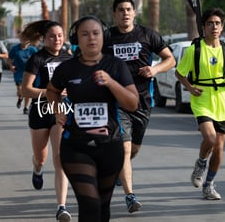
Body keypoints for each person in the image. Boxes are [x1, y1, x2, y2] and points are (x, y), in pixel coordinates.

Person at [47, 15, 139, 222]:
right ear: (76, 39)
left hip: (110, 144)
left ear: (103, 37)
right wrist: (57, 110)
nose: (91, 39)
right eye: (85, 34)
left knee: (103, 206)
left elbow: (132, 103)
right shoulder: (67, 68)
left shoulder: (115, 66)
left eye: (96, 33)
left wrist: (111, 83)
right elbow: (52, 90)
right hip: (76, 146)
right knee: (89, 204)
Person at [102, 0, 176, 213]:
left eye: (128, 9)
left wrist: (154, 69)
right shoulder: (107, 38)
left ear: (134, 12)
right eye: (120, 10)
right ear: (114, 14)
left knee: (133, 149)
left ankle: (119, 170)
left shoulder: (147, 34)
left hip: (143, 102)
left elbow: (170, 59)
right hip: (117, 102)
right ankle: (130, 196)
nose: (125, 13)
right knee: (124, 149)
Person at [175, 7, 225, 200]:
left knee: (219, 148)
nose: (214, 27)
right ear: (203, 27)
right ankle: (201, 163)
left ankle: (209, 184)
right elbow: (179, 73)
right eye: (210, 23)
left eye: (218, 23)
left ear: (222, 27)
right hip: (201, 99)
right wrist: (189, 87)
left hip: (221, 102)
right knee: (210, 139)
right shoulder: (194, 50)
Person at [22, 20, 72, 222]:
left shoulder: (69, 58)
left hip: (61, 111)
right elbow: (26, 89)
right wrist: (51, 92)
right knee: (40, 157)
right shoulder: (37, 59)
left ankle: (62, 207)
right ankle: (37, 168)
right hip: (40, 112)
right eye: (52, 36)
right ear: (44, 38)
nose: (57, 39)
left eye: (60, 35)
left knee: (60, 159)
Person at [7, 38, 38, 115]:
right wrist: (11, 66)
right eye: (25, 39)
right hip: (18, 71)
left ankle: (26, 107)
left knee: (27, 90)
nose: (26, 41)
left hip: (29, 72)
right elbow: (9, 58)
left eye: (28, 40)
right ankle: (20, 98)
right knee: (20, 90)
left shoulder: (33, 49)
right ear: (21, 40)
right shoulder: (15, 48)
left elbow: (39, 59)